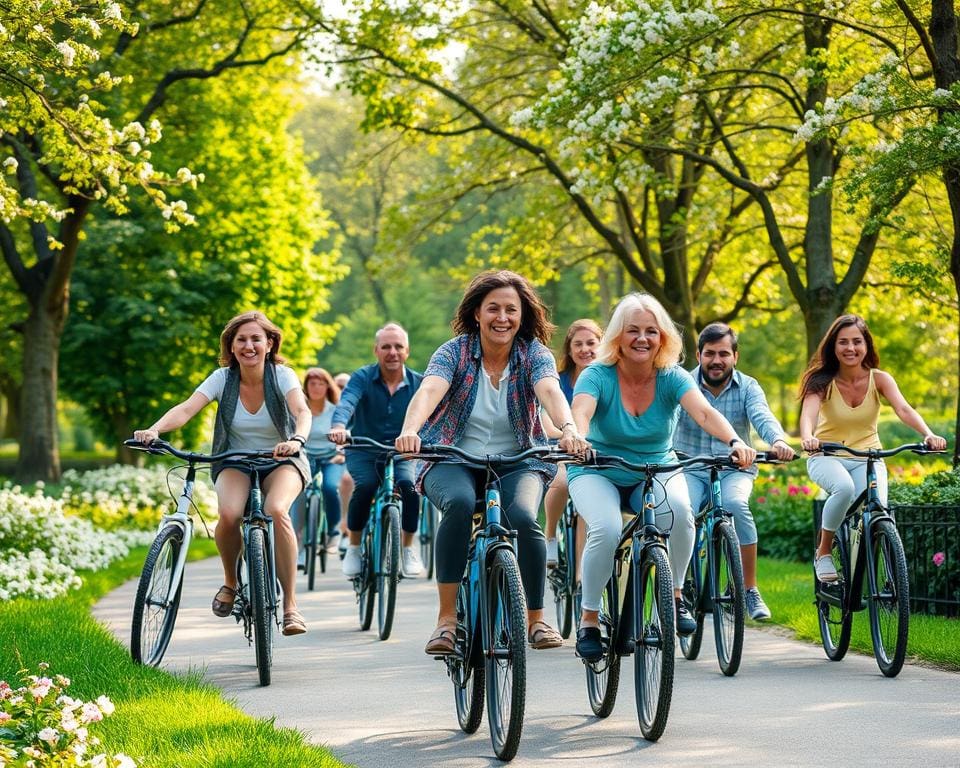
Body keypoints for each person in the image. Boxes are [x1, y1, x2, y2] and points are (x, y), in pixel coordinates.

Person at [394, 270, 590, 655]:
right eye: (494, 309)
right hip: (452, 456)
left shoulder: (533, 354)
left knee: (522, 516)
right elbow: (430, 389)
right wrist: (411, 429)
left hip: (519, 458)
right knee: (462, 504)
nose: (503, 318)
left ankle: (535, 619)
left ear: (523, 315)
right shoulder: (454, 352)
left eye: (511, 310)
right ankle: (446, 620)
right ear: (477, 314)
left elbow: (549, 389)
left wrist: (568, 427)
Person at [567, 293, 755, 662]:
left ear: (663, 338)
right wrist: (577, 435)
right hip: (597, 468)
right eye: (632, 330)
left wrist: (734, 439)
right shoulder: (597, 374)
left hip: (654, 469)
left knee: (682, 515)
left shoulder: (671, 377)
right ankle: (589, 619)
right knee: (604, 528)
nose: (642, 338)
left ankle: (677, 595)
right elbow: (582, 411)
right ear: (618, 336)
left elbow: (703, 413)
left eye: (651, 331)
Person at [133, 310, 311, 636]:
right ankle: (230, 581)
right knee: (229, 515)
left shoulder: (282, 375)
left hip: (282, 458)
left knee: (276, 509)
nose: (248, 346)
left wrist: (296, 439)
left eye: (256, 339)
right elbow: (187, 409)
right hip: (234, 459)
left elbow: (302, 410)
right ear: (231, 346)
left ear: (270, 343)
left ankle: (290, 607)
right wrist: (154, 430)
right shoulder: (222, 379)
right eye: (240, 340)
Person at [799, 314, 946, 582]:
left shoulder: (879, 379)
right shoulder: (821, 381)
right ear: (834, 347)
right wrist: (808, 436)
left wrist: (928, 434)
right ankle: (823, 551)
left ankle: (889, 572)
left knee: (879, 507)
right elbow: (808, 414)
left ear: (867, 345)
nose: (850, 348)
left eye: (857, 341)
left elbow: (903, 409)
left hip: (869, 456)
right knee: (844, 489)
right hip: (827, 455)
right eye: (843, 342)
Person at [673, 323, 795, 621]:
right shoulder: (682, 383)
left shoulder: (748, 387)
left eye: (724, 353)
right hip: (690, 466)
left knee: (736, 505)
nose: (717, 360)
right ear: (699, 355)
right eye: (710, 353)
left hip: (735, 468)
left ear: (735, 357)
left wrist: (777, 441)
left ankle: (750, 589)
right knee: (682, 510)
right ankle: (680, 584)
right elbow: (670, 419)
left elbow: (762, 416)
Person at [329, 324, 425, 578]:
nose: (392, 352)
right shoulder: (362, 376)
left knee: (409, 487)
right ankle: (354, 546)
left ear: (407, 351)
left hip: (402, 450)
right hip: (365, 448)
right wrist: (339, 425)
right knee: (367, 485)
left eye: (398, 347)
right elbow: (347, 401)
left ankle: (406, 548)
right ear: (376, 350)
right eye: (386, 347)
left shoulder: (420, 383)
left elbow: (434, 412)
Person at [543, 319, 603, 567]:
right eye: (578, 344)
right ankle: (550, 535)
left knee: (588, 504)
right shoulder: (555, 381)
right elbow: (546, 424)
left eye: (591, 343)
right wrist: (570, 437)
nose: (584, 349)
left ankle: (581, 575)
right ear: (569, 350)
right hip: (560, 450)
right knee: (561, 482)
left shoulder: (609, 379)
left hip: (596, 453)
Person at [290, 367, 346, 564]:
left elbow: (345, 434)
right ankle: (300, 544)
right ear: (305, 387)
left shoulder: (336, 409)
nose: (316, 387)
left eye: (321, 383)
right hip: (305, 457)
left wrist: (341, 452)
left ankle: (333, 531)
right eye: (312, 383)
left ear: (327, 386)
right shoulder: (299, 408)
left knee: (330, 487)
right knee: (299, 492)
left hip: (332, 458)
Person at [333, 372, 353, 552]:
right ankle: (342, 527)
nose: (342, 390)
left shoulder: (353, 405)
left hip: (350, 454)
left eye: (345, 386)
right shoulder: (327, 406)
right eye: (338, 386)